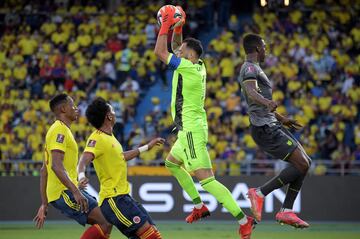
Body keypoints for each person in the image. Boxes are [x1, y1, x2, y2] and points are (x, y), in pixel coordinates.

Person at [154, 5, 255, 239]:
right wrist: (178, 27)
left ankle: (243, 219)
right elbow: (176, 47)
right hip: (188, 128)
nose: (177, 51)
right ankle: (199, 206)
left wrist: (166, 25)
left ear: (189, 55)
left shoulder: (187, 68)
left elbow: (161, 52)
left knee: (207, 180)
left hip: (191, 130)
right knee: (171, 163)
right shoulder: (197, 65)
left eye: (182, 50)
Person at [238, 33, 311, 228]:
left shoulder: (257, 68)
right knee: (302, 163)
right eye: (264, 46)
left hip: (271, 123)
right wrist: (267, 101)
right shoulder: (250, 68)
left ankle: (286, 211)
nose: (266, 49)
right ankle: (260, 193)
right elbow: (251, 92)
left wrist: (283, 118)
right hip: (264, 128)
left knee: (306, 163)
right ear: (257, 49)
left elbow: (261, 103)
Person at [77, 97, 165, 239]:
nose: (115, 112)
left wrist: (147, 147)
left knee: (152, 231)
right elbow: (84, 158)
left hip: (123, 197)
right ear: (109, 116)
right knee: (149, 235)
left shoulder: (111, 138)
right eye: (112, 109)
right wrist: (81, 175)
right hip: (113, 199)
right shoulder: (97, 138)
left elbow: (121, 157)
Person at [33, 93, 112, 239]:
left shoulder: (60, 129)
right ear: (63, 109)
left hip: (64, 190)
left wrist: (44, 204)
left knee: (107, 222)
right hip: (64, 192)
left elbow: (45, 169)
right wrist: (75, 191)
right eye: (73, 105)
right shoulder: (59, 130)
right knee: (105, 222)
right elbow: (56, 166)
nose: (76, 109)